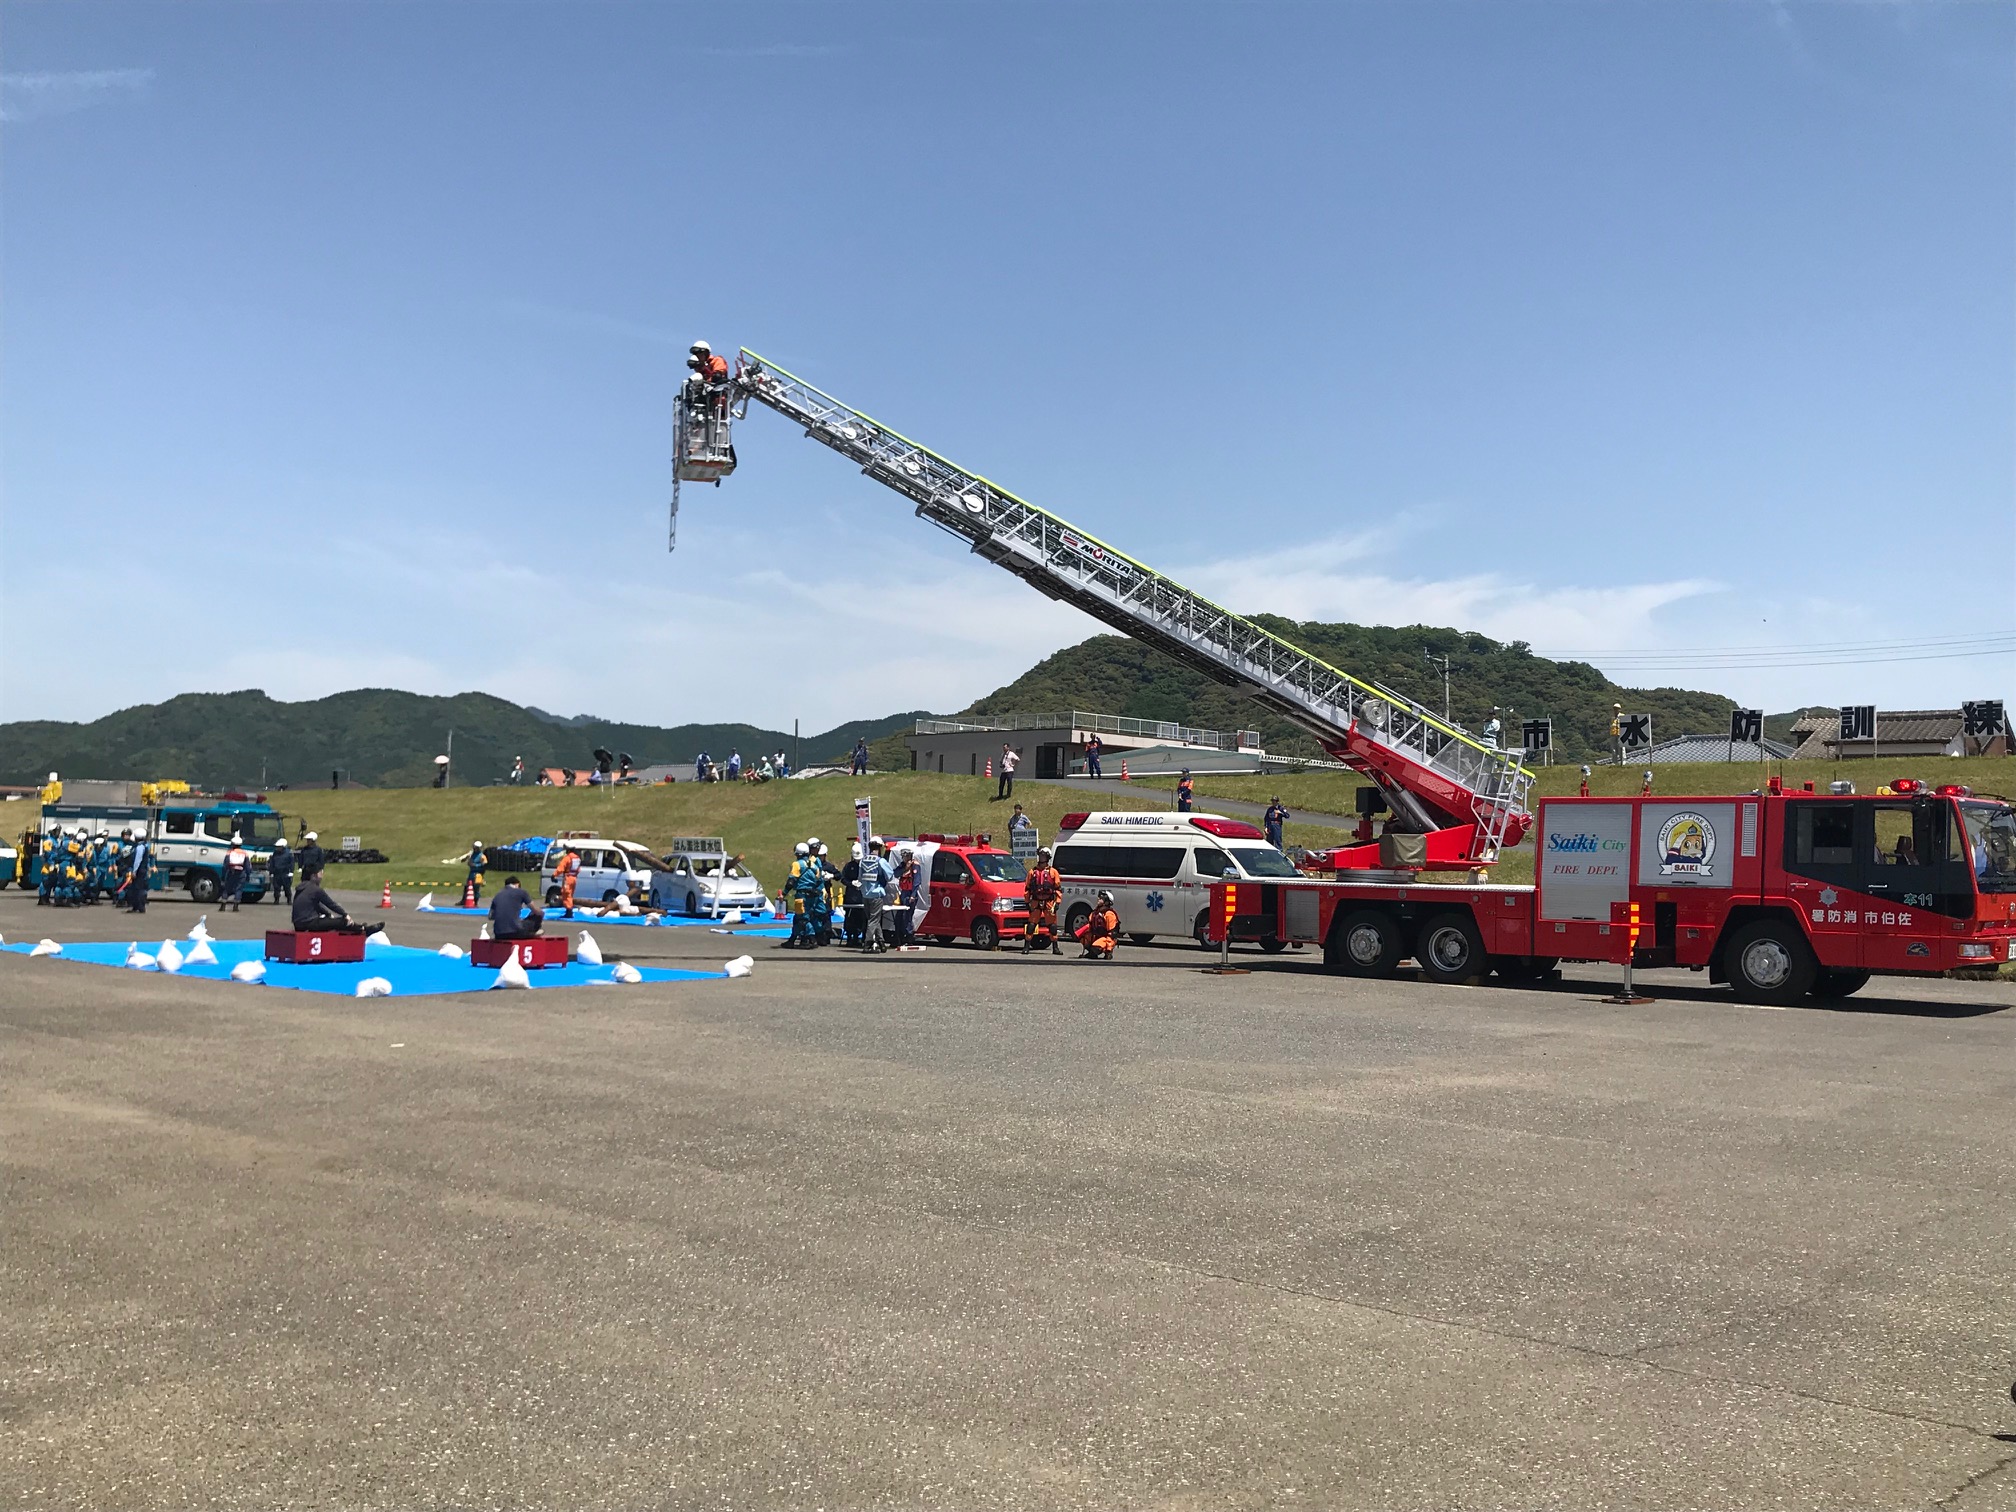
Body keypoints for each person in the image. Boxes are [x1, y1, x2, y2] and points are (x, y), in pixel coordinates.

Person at [1023, 847, 1063, 955]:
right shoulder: (1032, 872)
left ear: (1047, 857)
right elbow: (1027, 888)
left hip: (1049, 902)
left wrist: (1057, 902)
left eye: (1043, 856)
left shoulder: (1053, 872)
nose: (1041, 857)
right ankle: (1026, 946)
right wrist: (1027, 902)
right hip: (1036, 901)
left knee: (1052, 926)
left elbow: (1058, 889)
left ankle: (1055, 947)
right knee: (1031, 925)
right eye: (1040, 855)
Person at [858, 839, 895, 953]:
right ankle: (868, 943)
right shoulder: (880, 861)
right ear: (879, 848)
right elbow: (890, 876)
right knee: (873, 920)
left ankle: (881, 942)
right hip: (876, 894)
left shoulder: (863, 860)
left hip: (865, 894)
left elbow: (860, 877)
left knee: (873, 919)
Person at [782, 842, 816, 948]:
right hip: (812, 895)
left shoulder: (797, 864)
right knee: (799, 918)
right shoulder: (813, 865)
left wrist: (784, 893)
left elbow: (791, 881)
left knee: (802, 919)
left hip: (802, 895)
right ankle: (793, 939)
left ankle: (811, 939)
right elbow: (818, 879)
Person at [1076, 889, 1120, 960]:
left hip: (1106, 938)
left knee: (1095, 948)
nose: (1098, 899)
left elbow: (1112, 933)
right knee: (1082, 937)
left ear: (1106, 902)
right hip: (1096, 936)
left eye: (1101, 898)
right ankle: (1092, 952)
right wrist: (1080, 933)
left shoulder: (1109, 914)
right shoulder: (1095, 913)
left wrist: (1109, 949)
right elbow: (1090, 926)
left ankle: (1106, 952)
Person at [891, 847, 921, 948]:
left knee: (907, 917)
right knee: (898, 917)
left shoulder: (915, 866)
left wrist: (913, 895)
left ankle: (909, 937)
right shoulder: (902, 865)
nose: (903, 858)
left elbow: (917, 881)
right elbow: (895, 873)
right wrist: (905, 868)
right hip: (903, 893)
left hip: (910, 894)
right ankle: (898, 937)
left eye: (905, 856)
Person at [120, 828, 151, 915]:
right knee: (136, 889)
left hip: (139, 871)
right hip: (142, 870)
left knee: (138, 890)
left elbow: (138, 860)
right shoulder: (144, 845)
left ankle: (140, 907)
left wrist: (134, 871)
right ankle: (136, 907)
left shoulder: (140, 847)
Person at [840, 842, 865, 946]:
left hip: (862, 896)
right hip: (851, 896)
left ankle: (860, 937)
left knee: (861, 917)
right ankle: (850, 936)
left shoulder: (865, 866)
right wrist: (851, 883)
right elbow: (843, 878)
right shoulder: (849, 866)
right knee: (850, 918)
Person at [221, 833, 250, 912]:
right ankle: (235, 906)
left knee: (227, 888)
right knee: (239, 889)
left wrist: (223, 876)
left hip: (231, 872)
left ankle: (223, 905)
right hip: (241, 873)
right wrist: (248, 875)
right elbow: (247, 866)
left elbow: (225, 865)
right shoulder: (244, 853)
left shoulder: (229, 852)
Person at [553, 843, 581, 918]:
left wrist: (554, 875)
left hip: (568, 878)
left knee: (566, 894)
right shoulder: (577, 858)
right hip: (574, 878)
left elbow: (561, 868)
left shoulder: (567, 858)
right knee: (570, 894)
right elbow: (578, 869)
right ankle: (569, 910)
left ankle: (569, 912)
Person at [268, 836, 295, 904]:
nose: (277, 848)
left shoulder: (289, 854)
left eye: (279, 846)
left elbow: (291, 863)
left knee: (287, 887)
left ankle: (289, 899)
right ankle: (276, 899)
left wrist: (291, 872)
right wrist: (271, 872)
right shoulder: (275, 853)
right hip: (277, 873)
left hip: (285, 873)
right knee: (276, 887)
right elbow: (272, 863)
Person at [464, 840, 488, 905]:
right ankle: (464, 900)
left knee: (476, 888)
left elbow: (485, 864)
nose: (474, 848)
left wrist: (476, 865)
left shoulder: (482, 856)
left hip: (478, 874)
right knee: (467, 887)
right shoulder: (472, 854)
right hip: (471, 872)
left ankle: (475, 901)